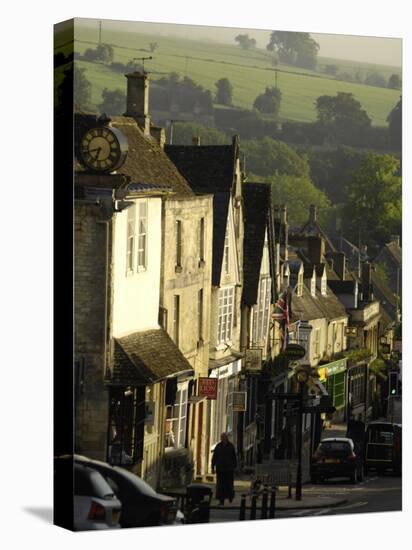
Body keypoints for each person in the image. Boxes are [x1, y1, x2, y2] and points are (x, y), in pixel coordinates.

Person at [211, 432, 237, 505]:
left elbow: (234, 457)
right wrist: (212, 467)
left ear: (226, 438)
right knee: (220, 485)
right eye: (221, 438)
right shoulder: (218, 446)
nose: (222, 439)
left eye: (223, 437)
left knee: (229, 484)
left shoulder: (231, 446)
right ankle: (221, 500)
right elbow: (214, 457)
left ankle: (230, 497)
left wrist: (234, 466)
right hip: (220, 469)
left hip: (229, 469)